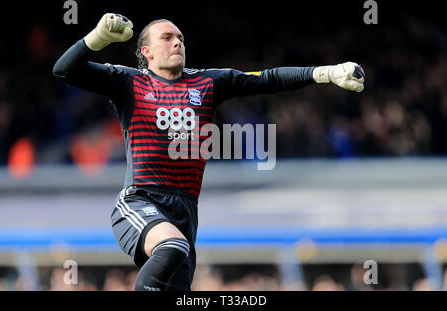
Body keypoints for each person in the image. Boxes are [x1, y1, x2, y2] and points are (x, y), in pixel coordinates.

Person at [52, 13, 365, 291]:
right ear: (146, 52)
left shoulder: (207, 82)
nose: (177, 43)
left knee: (177, 259)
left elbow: (267, 79)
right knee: (172, 246)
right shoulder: (128, 81)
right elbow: (64, 70)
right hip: (141, 198)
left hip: (186, 210)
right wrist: (98, 38)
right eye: (167, 38)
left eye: (180, 38)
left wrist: (325, 73)